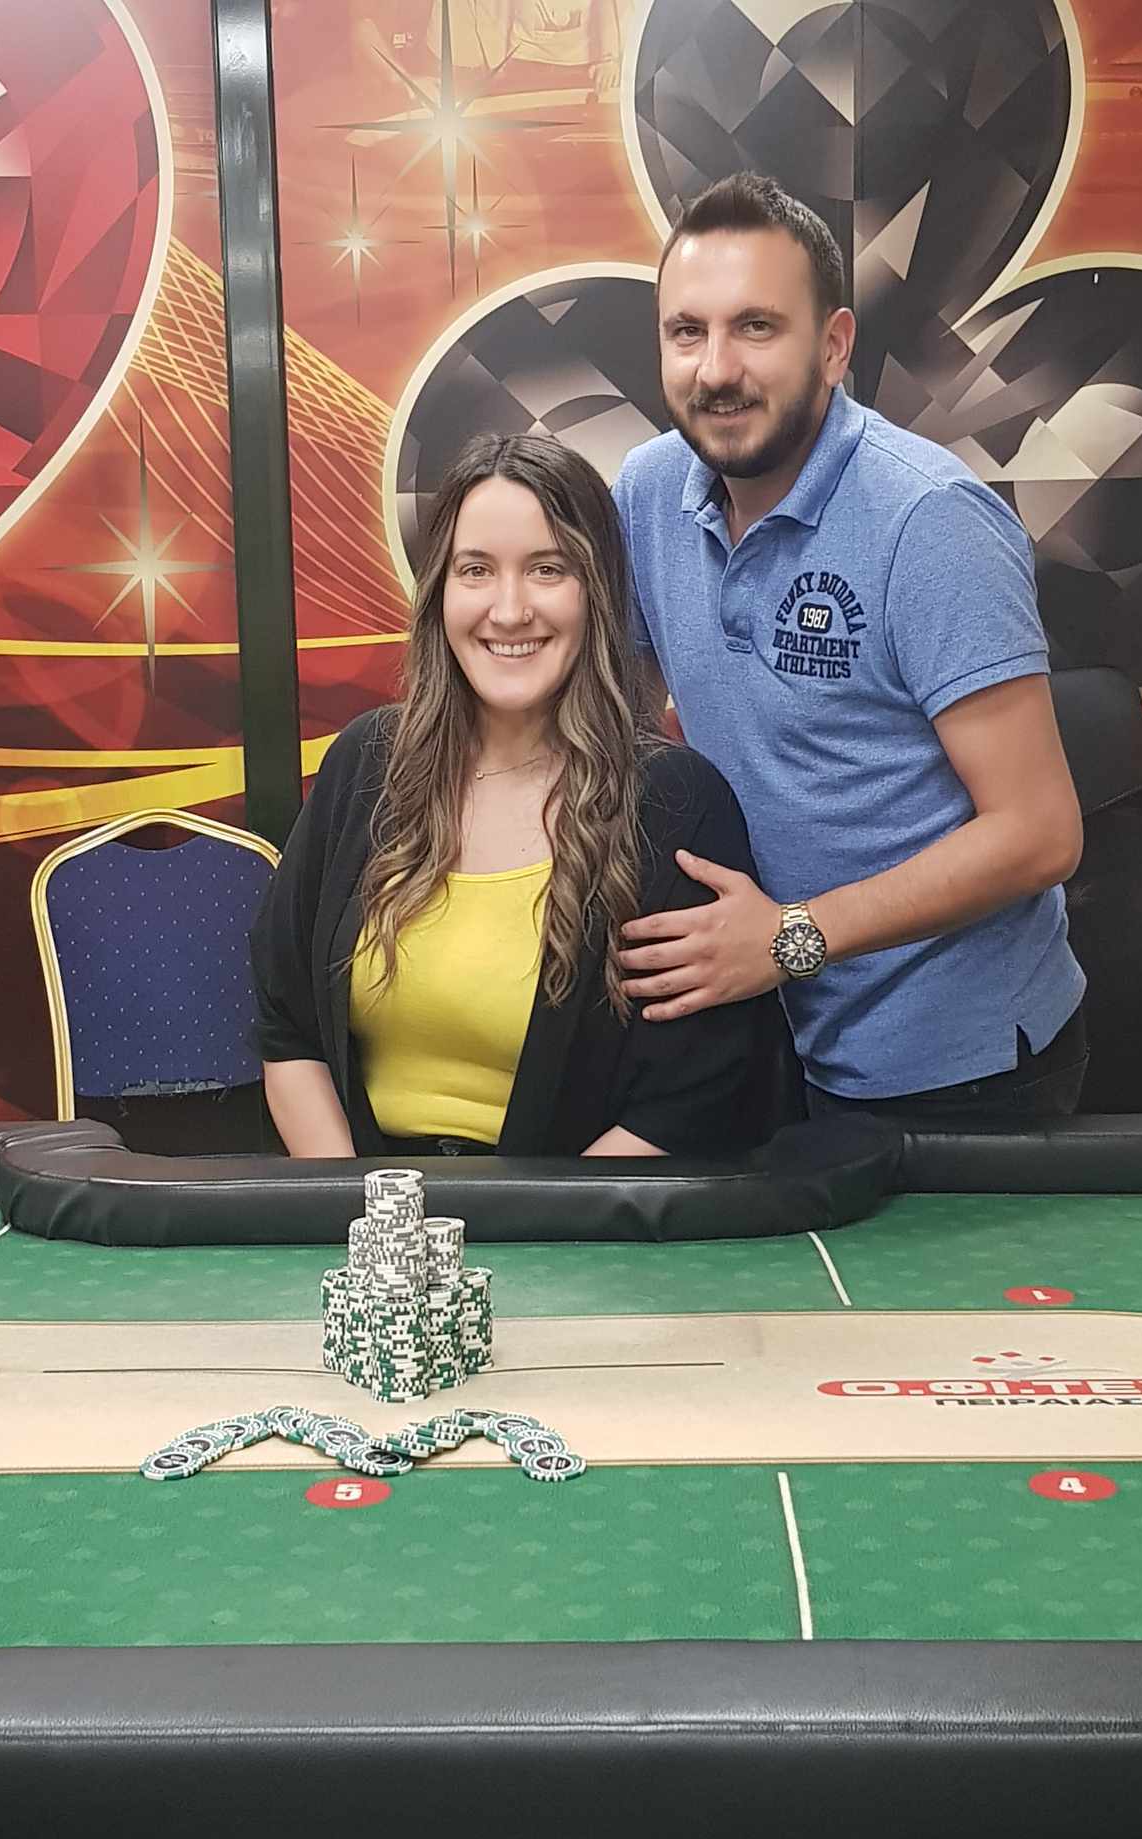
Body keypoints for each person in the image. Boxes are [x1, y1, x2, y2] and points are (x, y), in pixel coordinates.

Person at [612, 172, 1089, 1126]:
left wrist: (788, 939)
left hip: (960, 1069)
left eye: (756, 327)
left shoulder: (930, 520)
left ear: (833, 347)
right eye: (687, 332)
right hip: (766, 1036)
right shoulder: (647, 489)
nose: (715, 370)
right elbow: (616, 718)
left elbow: (1041, 833)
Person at [252, 430, 780, 1166]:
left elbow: (693, 1098)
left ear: (598, 594)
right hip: (370, 1211)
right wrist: (361, 1209)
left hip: (582, 1220)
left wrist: (527, 1228)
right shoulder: (364, 764)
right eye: (476, 570)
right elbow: (288, 1029)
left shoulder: (674, 803)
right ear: (439, 591)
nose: (509, 610)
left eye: (547, 569)